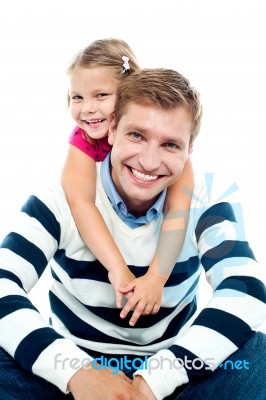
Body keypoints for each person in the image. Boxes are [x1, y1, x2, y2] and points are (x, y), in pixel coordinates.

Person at [0, 68, 265, 400]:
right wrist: (76, 373)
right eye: (137, 135)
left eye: (170, 144)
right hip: (73, 372)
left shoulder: (206, 204)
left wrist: (153, 383)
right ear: (111, 129)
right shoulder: (60, 200)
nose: (150, 161)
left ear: (189, 150)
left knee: (259, 356)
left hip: (171, 373)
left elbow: (248, 292)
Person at [61, 38, 194, 326]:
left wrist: (156, 278)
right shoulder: (81, 141)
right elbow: (80, 202)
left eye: (101, 95)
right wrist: (117, 268)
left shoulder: (173, 150)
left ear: (127, 95)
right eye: (77, 97)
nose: (87, 109)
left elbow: (178, 211)